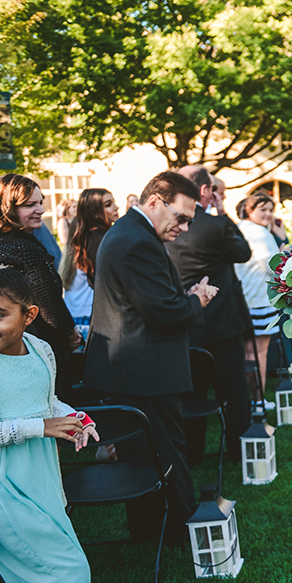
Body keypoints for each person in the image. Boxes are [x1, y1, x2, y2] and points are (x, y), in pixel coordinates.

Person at [84, 172, 218, 541]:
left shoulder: (132, 233)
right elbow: (165, 312)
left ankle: (153, 531)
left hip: (136, 367)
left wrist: (184, 297)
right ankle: (180, 532)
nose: (186, 228)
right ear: (156, 202)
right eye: (182, 217)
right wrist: (197, 300)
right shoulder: (136, 241)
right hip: (143, 370)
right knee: (165, 455)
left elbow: (150, 301)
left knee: (146, 456)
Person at [0, 268, 97, 583]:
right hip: (1, 491)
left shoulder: (41, 349)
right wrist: (36, 427)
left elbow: (44, 403)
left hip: (42, 482)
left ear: (29, 314)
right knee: (68, 573)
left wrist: (74, 416)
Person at [167, 165, 253, 459]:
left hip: (184, 322)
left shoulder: (164, 226)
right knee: (233, 392)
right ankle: (239, 450)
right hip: (222, 325)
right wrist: (224, 213)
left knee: (192, 393)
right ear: (206, 191)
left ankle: (192, 452)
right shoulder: (215, 225)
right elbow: (243, 252)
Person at [0, 174, 82, 395]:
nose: (41, 210)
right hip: (29, 353)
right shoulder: (24, 249)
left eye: (41, 202)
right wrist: (71, 335)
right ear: (7, 206)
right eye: (30, 204)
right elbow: (50, 309)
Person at [235, 193, 280, 396]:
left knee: (246, 354)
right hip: (261, 300)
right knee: (259, 353)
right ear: (249, 210)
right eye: (262, 209)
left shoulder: (239, 228)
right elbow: (273, 266)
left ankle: (247, 399)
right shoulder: (260, 233)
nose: (268, 214)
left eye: (271, 210)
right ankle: (258, 400)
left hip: (244, 299)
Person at [61, 188, 119, 339]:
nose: (116, 207)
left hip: (79, 314)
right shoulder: (102, 240)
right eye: (108, 204)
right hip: (96, 314)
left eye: (114, 203)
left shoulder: (87, 242)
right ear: (94, 211)